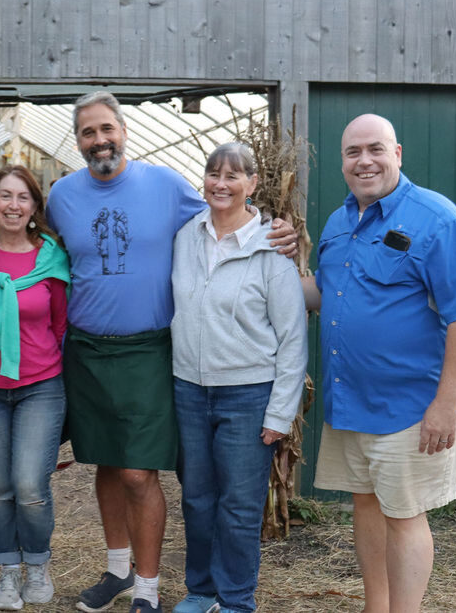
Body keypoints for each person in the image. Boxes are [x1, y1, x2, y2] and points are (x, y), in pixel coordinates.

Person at [45, 91, 299, 613]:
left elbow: (230, 212)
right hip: (90, 351)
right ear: (77, 140)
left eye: (107, 129)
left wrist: (279, 230)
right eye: (89, 133)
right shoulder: (61, 196)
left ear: (123, 130)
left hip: (150, 352)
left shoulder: (164, 186)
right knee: (108, 464)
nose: (100, 140)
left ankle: (154, 587)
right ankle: (122, 570)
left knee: (140, 471)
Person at [305, 114, 456, 612]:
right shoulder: (340, 220)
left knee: (404, 515)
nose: (364, 161)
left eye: (375, 149)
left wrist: (446, 404)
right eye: (353, 152)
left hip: (409, 407)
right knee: (366, 505)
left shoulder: (437, 219)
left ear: (398, 153)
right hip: (350, 401)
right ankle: (377, 606)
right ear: (343, 162)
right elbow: (324, 294)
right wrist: (268, 261)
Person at [170, 143, 307, 613]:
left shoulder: (270, 246)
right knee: (197, 500)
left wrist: (280, 412)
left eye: (234, 175)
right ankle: (201, 590)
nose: (221, 183)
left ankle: (235, 600)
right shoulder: (187, 235)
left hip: (248, 395)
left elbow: (292, 338)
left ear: (252, 185)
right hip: (189, 388)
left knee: (240, 507)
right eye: (213, 173)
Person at [0, 164, 70, 610]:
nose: (13, 205)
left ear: (34, 207)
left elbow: (62, 323)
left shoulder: (52, 257)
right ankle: (7, 573)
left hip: (40, 385)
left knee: (30, 485)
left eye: (22, 197)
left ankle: (38, 567)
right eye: (4, 196)